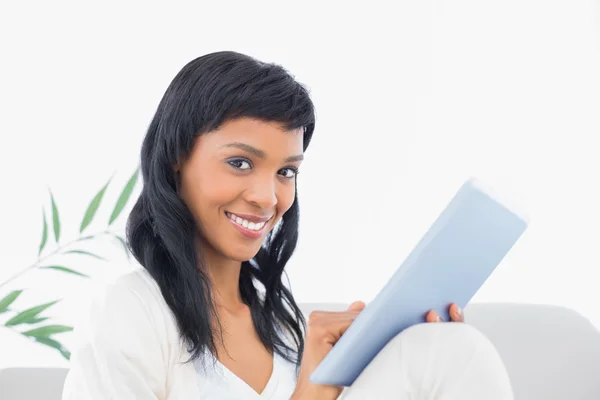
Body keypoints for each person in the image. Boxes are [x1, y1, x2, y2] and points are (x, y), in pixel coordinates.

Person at [61, 51, 514, 400]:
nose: (267, 197)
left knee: (449, 349)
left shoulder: (284, 326)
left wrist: (403, 350)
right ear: (177, 158)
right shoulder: (131, 310)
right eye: (240, 162)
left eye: (286, 172)